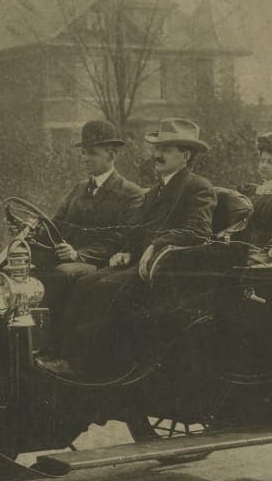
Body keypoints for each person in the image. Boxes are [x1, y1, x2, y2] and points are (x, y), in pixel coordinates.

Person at [37, 117, 217, 379]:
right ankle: (61, 354)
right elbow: (136, 230)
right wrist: (126, 249)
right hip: (140, 265)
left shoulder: (198, 187)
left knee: (103, 287)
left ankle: (82, 363)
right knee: (86, 282)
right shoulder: (155, 192)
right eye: (157, 149)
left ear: (185, 155)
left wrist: (156, 245)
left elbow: (199, 231)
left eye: (165, 150)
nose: (157, 155)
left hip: (167, 271)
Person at [34, 120, 144, 316]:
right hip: (66, 257)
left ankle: (46, 335)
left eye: (92, 153)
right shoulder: (79, 188)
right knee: (10, 258)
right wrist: (32, 231)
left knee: (61, 274)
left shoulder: (130, 193)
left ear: (111, 154)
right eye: (84, 152)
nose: (85, 158)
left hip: (98, 263)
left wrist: (77, 254)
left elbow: (119, 240)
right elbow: (56, 224)